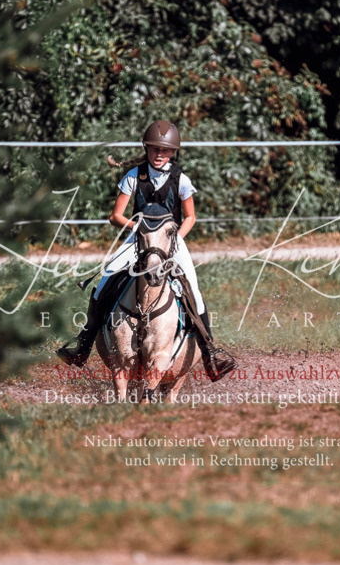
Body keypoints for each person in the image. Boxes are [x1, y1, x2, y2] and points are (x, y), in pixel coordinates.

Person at [56, 120, 236, 380]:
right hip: (137, 240)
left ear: (172, 152)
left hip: (171, 242)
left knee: (194, 292)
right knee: (105, 281)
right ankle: (83, 344)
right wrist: (139, 229)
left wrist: (175, 239)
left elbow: (190, 217)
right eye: (155, 149)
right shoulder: (134, 176)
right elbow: (115, 216)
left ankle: (210, 354)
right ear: (147, 149)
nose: (159, 154)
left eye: (165, 150)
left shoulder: (181, 179)